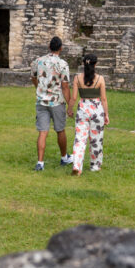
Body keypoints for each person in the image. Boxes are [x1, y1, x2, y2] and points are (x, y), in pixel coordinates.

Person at [31, 36, 73, 171]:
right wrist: (70, 104)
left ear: (49, 47)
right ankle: (64, 157)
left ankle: (40, 163)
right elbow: (65, 86)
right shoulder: (62, 64)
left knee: (43, 132)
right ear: (61, 48)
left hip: (41, 101)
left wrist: (40, 88)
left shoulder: (38, 61)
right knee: (60, 130)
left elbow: (33, 77)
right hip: (56, 101)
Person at [67, 52, 109, 176]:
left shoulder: (77, 78)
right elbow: (104, 99)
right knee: (96, 139)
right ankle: (95, 166)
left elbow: (74, 97)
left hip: (83, 109)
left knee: (80, 139)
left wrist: (69, 109)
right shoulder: (100, 79)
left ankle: (77, 165)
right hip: (97, 109)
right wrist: (106, 114)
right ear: (95, 64)